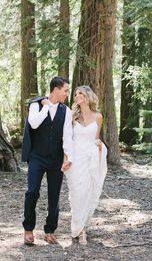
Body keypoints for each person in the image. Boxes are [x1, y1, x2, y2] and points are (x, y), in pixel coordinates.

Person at [22, 76, 73, 245]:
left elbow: (67, 137)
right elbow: (34, 124)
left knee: (54, 196)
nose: (67, 93)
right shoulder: (36, 105)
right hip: (36, 157)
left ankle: (50, 230)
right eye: (65, 90)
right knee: (32, 192)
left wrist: (67, 157)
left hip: (56, 159)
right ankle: (28, 229)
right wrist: (46, 107)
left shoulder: (66, 111)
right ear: (56, 89)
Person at [62, 85, 107, 245]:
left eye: (80, 93)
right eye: (75, 94)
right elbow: (67, 140)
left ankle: (81, 229)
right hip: (75, 159)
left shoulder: (98, 116)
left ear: (88, 96)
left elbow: (96, 139)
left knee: (87, 193)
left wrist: (100, 146)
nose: (77, 95)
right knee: (76, 194)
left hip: (90, 159)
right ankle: (79, 229)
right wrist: (66, 159)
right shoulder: (72, 116)